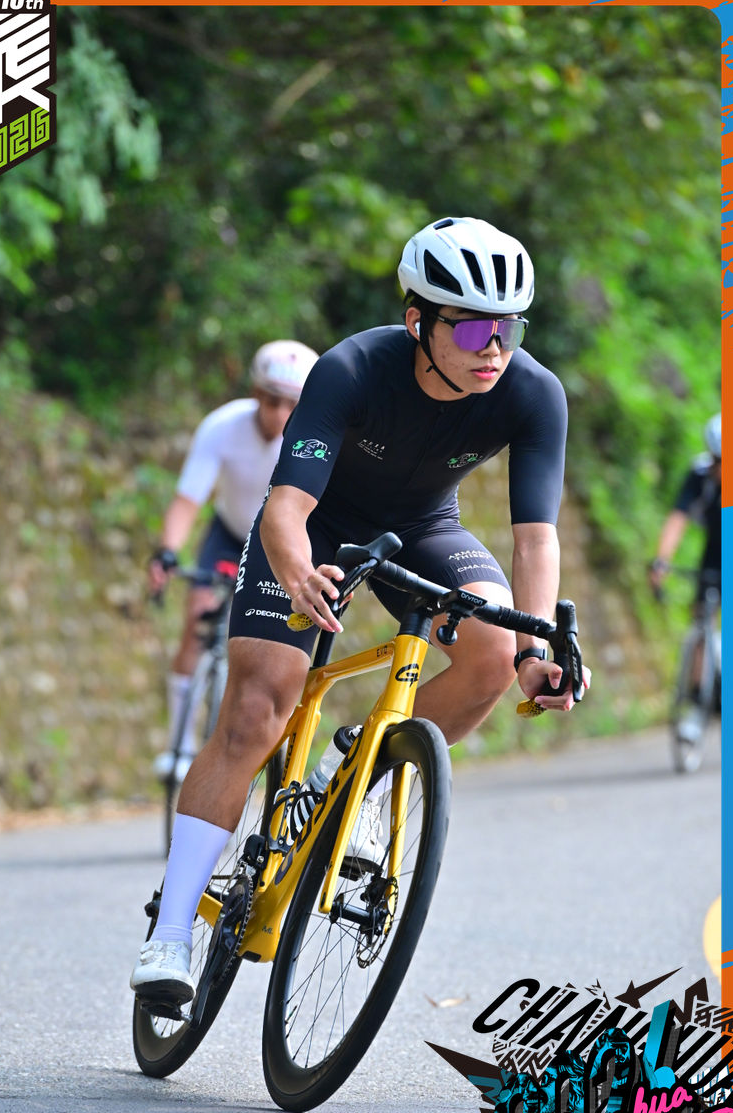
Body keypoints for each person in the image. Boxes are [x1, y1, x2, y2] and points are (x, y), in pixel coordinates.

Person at [131, 215, 591, 1005]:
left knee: (491, 652)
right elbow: (284, 507)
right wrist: (297, 573)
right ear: (417, 321)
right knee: (257, 706)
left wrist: (534, 650)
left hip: (424, 529)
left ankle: (362, 773)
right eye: (472, 327)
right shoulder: (351, 368)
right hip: (315, 526)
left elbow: (534, 538)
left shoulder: (531, 392)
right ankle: (170, 933)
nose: (493, 347)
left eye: (508, 328)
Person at [148, 340, 319, 780]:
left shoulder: (314, 438)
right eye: (272, 401)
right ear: (256, 393)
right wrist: (168, 551)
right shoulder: (223, 427)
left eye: (292, 405)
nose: (280, 414)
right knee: (198, 619)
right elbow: (188, 500)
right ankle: (179, 746)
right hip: (228, 533)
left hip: (281, 543)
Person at [648, 412, 721, 742]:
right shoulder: (700, 475)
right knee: (701, 621)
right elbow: (678, 519)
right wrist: (661, 561)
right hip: (715, 551)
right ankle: (695, 702)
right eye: (718, 460)